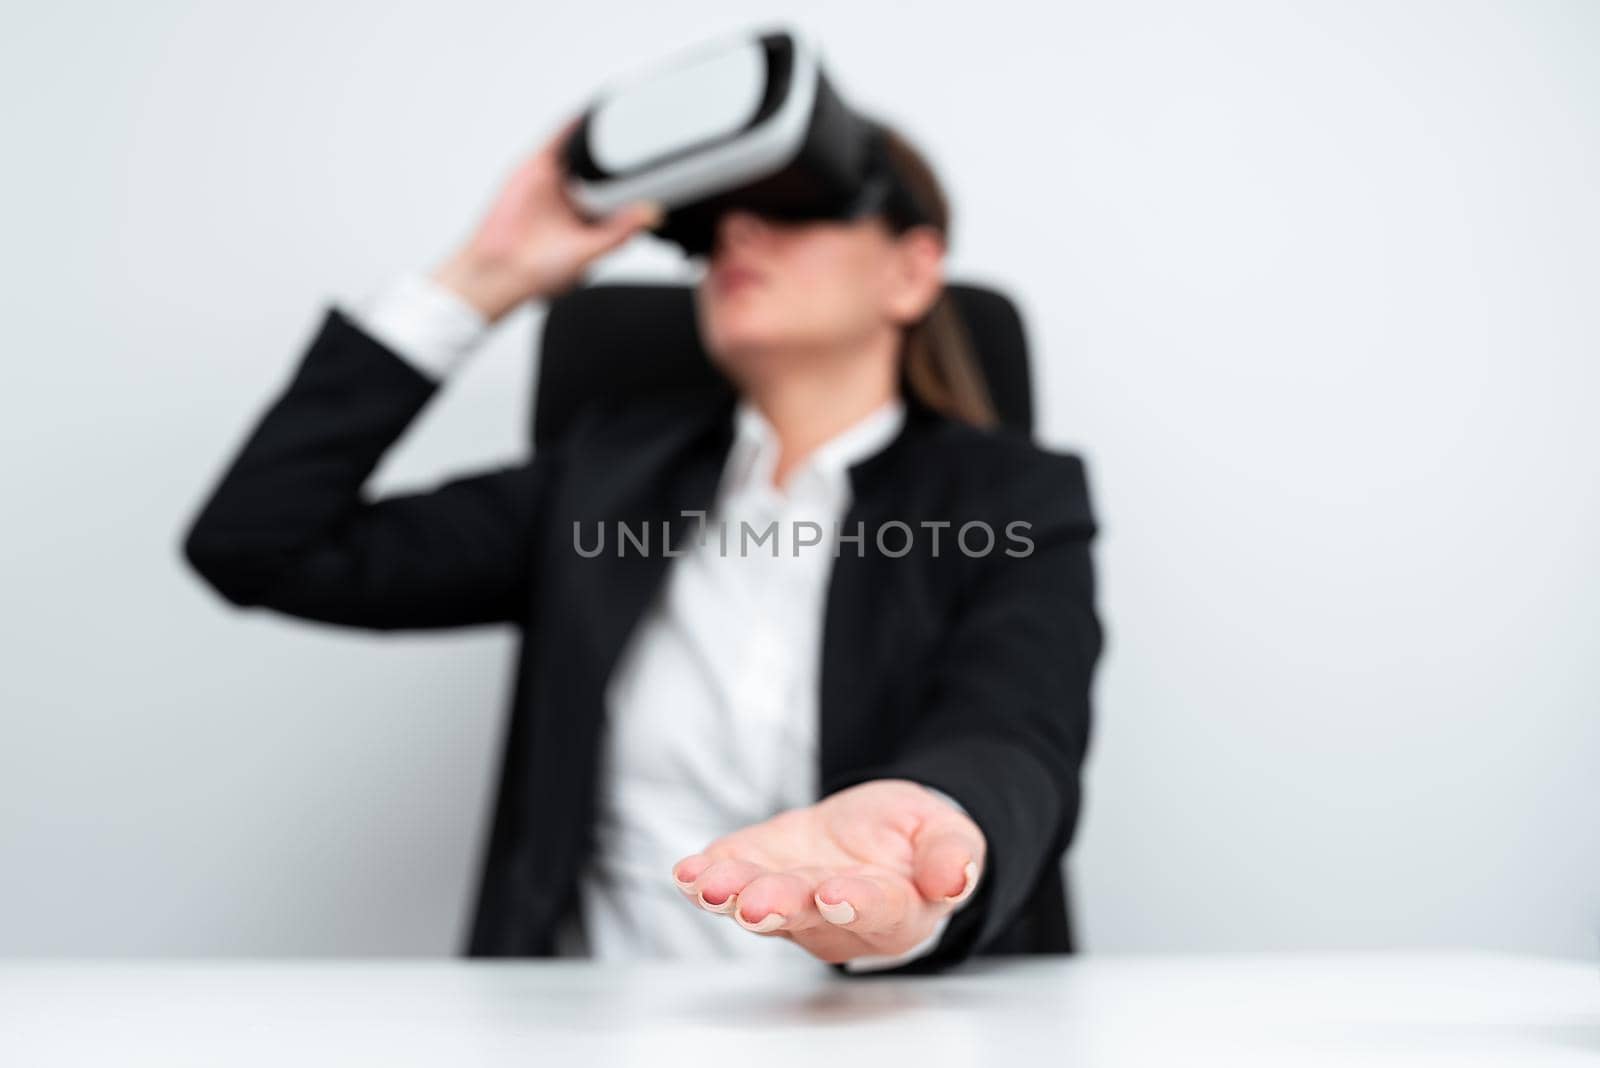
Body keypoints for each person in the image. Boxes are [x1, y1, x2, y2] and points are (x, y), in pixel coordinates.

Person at [182, 111, 1102, 975]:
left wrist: (930, 829)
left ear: (910, 271)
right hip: (594, 1026)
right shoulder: (604, 479)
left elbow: (1016, 722)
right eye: (713, 229)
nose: (739, 238)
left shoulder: (1013, 497)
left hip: (892, 1026)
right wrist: (485, 275)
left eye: (792, 206)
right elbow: (258, 543)